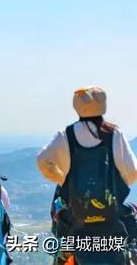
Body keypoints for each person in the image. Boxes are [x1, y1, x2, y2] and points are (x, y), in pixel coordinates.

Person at [37, 86, 137, 264]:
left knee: (62, 248)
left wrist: (62, 178)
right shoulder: (115, 134)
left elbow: (43, 160)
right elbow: (132, 172)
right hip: (111, 219)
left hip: (77, 219)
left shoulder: (66, 136)